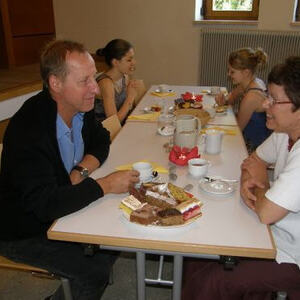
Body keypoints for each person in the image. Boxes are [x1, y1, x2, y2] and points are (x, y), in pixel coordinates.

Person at [0, 39, 139, 299]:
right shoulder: (29, 131)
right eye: (84, 80)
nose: (95, 89)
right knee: (95, 270)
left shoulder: (79, 107)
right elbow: (46, 206)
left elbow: (100, 140)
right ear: (56, 83)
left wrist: (80, 171)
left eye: (93, 79)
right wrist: (105, 184)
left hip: (59, 205)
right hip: (22, 230)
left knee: (116, 238)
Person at [182, 56, 300, 300]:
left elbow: (266, 211)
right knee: (195, 253)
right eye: (268, 95)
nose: (266, 104)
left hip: (293, 254)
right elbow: (253, 161)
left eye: (275, 100)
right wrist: (257, 183)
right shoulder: (284, 131)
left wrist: (262, 187)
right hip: (269, 230)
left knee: (213, 280)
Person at [215, 47, 271, 152]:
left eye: (232, 72)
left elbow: (238, 130)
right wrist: (224, 101)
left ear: (246, 72)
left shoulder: (251, 97)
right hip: (249, 138)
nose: (229, 74)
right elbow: (230, 99)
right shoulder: (250, 82)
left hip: (254, 146)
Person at [94, 39, 142, 124]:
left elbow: (129, 110)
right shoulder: (106, 83)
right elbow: (114, 123)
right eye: (129, 60)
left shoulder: (125, 77)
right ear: (115, 62)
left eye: (133, 58)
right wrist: (130, 98)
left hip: (121, 128)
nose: (134, 62)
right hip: (105, 133)